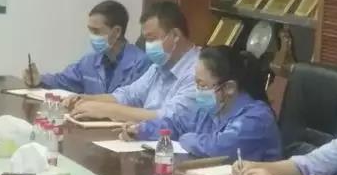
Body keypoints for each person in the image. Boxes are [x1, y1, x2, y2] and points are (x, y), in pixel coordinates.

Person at [121, 45, 282, 161]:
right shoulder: (210, 109)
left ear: (229, 88)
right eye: (196, 84)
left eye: (202, 85)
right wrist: (142, 129)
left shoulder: (257, 118)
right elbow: (176, 124)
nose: (197, 91)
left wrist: (187, 138)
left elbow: (219, 148)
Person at [68, 0, 199, 123]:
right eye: (146, 40)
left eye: (152, 39)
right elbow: (129, 95)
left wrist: (106, 110)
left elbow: (170, 118)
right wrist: (86, 99)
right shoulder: (159, 66)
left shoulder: (199, 71)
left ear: (175, 35)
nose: (148, 46)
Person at [23, 0, 149, 94]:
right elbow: (62, 80)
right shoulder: (89, 61)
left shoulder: (141, 63)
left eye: (96, 31)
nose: (92, 36)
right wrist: (39, 79)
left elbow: (130, 101)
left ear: (116, 32)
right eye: (90, 30)